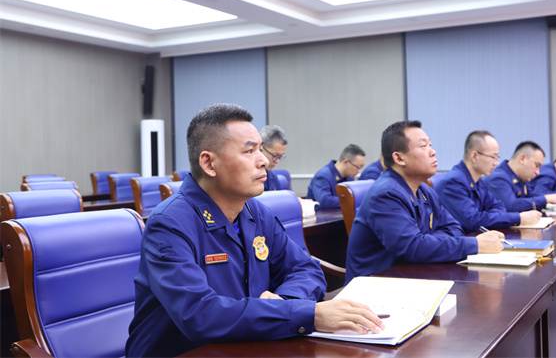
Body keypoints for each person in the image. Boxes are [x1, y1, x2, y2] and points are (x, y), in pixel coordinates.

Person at [126, 104, 383, 357]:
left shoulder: (255, 211)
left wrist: (285, 303)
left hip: (246, 345)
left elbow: (305, 269)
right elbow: (200, 314)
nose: (264, 161)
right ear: (209, 163)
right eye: (249, 151)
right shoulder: (169, 224)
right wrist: (306, 314)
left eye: (260, 149)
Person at [345, 120, 504, 283]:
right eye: (423, 146)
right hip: (375, 284)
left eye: (430, 145)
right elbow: (412, 247)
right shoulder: (386, 194)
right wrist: (475, 245)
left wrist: (425, 242)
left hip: (412, 275)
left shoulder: (424, 190)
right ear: (399, 158)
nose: (433, 152)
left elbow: (455, 228)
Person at [435, 131, 541, 233]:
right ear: (474, 156)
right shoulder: (453, 182)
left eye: (497, 157)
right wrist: (518, 218)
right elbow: (473, 221)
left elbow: (499, 206)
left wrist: (487, 217)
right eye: (493, 157)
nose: (496, 163)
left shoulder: (478, 181)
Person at [484, 141, 556, 212]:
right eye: (536, 165)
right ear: (522, 159)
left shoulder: (521, 178)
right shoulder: (497, 178)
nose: (538, 172)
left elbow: (534, 196)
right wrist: (547, 199)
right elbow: (511, 206)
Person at [306, 144, 366, 210]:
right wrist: (351, 200)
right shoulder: (322, 176)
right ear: (346, 162)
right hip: (322, 215)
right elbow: (325, 201)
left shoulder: (349, 176)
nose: (359, 171)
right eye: (358, 167)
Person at [259, 125, 288, 191]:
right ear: (260, 148)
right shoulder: (247, 178)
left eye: (280, 156)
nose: (277, 161)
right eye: (275, 155)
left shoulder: (273, 178)